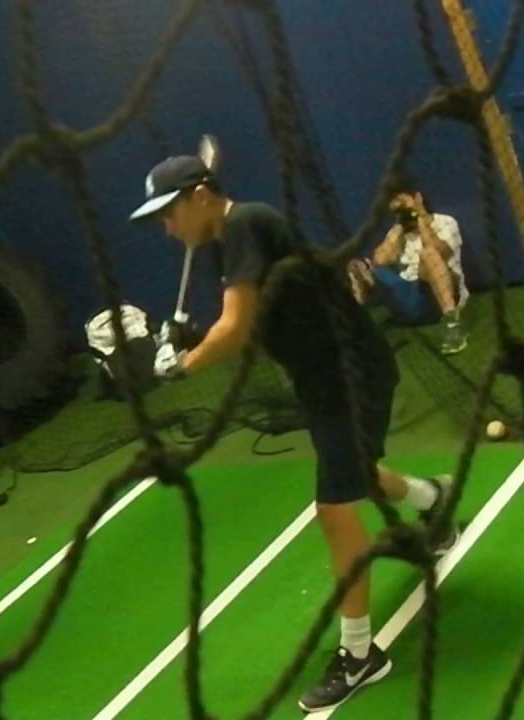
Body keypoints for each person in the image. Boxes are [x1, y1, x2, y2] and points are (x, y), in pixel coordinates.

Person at [130, 154, 459, 712]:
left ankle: (359, 654)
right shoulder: (227, 241)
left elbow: (235, 329)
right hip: (324, 377)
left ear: (202, 195)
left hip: (350, 373)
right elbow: (252, 319)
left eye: (169, 211)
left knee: (333, 508)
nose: (166, 227)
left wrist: (179, 365)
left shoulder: (246, 224)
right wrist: (185, 337)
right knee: (353, 475)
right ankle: (434, 498)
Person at [347, 183, 470, 354]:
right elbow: (380, 259)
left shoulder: (445, 222)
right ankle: (361, 336)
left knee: (429, 255)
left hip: (437, 298)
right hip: (407, 300)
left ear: (418, 198)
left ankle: (453, 326)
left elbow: (442, 252)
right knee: (359, 267)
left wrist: (420, 219)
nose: (402, 210)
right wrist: (400, 227)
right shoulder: (399, 232)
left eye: (403, 203)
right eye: (397, 210)